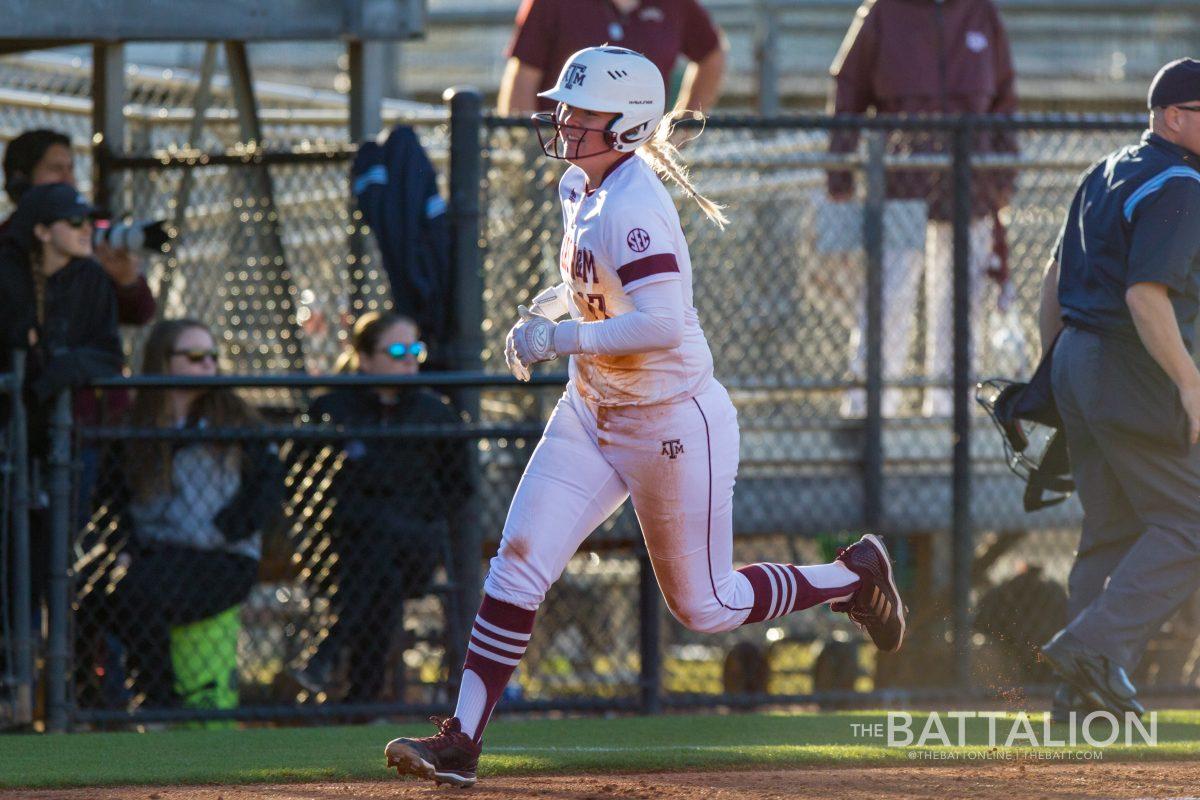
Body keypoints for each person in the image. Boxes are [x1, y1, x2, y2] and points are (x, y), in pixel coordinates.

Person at [383, 46, 906, 788]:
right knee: (519, 559)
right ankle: (461, 740)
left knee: (706, 605)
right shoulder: (581, 185)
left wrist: (556, 337)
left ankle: (849, 578)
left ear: (626, 125)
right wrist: (547, 307)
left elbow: (660, 323)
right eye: (565, 108)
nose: (564, 122)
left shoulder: (633, 207)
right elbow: (593, 279)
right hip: (593, 407)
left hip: (669, 422)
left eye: (582, 111)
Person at [1038, 58, 1200, 720]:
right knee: (1190, 523)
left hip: (1080, 358)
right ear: (1172, 117)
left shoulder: (1104, 171)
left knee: (1111, 531)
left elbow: (1053, 278)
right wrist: (1190, 383)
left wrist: (1052, 370)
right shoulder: (1183, 181)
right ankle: (1091, 650)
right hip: (1131, 367)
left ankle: (1080, 701)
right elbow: (1145, 294)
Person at [827, 0, 1018, 417]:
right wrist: (838, 173)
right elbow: (849, 89)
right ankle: (870, 408)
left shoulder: (981, 13)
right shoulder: (883, 12)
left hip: (972, 188)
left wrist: (1004, 174)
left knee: (962, 305)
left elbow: (1005, 97)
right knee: (888, 297)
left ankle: (951, 413)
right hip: (899, 184)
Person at [90, 318, 281, 707]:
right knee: (93, 600)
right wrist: (125, 545)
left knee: (138, 594)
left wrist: (226, 529)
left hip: (222, 557)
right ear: (164, 361)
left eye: (212, 356)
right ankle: (95, 706)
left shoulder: (237, 419)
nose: (208, 364)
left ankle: (160, 703)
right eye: (195, 356)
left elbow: (267, 488)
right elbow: (112, 500)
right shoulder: (134, 425)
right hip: (154, 553)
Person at [294, 311, 467, 702]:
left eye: (415, 349)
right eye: (397, 350)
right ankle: (362, 701)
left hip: (413, 550)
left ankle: (327, 656)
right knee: (379, 568)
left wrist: (418, 513)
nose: (410, 359)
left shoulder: (434, 412)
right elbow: (300, 478)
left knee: (384, 550)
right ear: (365, 358)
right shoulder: (332, 408)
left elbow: (458, 488)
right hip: (339, 551)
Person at [0, 182, 122, 615]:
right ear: (42, 231)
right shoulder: (10, 274)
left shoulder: (89, 277)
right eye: (74, 222)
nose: (86, 229)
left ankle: (41, 662)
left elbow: (109, 354)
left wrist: (55, 371)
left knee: (53, 558)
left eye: (89, 221)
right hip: (13, 434)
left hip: (65, 440)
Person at [2, 129, 156, 326]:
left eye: (71, 169)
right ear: (21, 177)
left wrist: (127, 282)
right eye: (56, 169)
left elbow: (139, 315)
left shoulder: (86, 239)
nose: (69, 180)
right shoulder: (7, 244)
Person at [496, 0, 727, 117]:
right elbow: (521, 83)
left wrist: (681, 127)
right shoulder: (552, 4)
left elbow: (711, 55)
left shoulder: (677, 5)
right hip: (564, 155)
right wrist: (532, 154)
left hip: (640, 158)